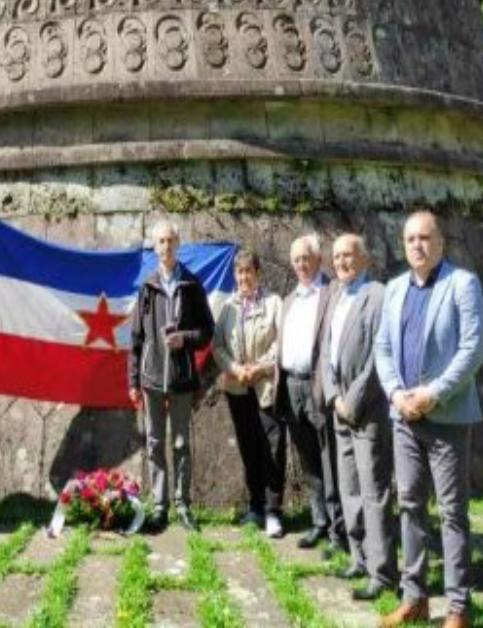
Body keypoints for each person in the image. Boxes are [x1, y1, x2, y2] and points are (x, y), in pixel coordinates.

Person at [376, 212, 483, 628]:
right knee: (409, 506)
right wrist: (395, 393)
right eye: (410, 239)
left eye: (425, 237)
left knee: (453, 512)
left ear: (441, 243)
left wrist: (434, 393)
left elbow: (472, 350)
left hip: (448, 418)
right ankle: (415, 598)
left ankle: (458, 608)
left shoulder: (462, 284)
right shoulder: (393, 289)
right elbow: (383, 347)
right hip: (403, 416)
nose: (417, 245)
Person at [320, 234, 397, 601]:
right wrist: (335, 397)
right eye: (336, 257)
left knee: (373, 492)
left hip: (367, 410)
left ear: (364, 259)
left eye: (348, 256)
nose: (341, 262)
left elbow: (377, 359)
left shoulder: (377, 295)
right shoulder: (335, 294)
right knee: (348, 487)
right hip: (341, 408)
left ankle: (383, 572)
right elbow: (325, 352)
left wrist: (352, 400)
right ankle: (358, 557)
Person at [128, 220, 215, 532]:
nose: (165, 247)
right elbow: (136, 339)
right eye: (160, 242)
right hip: (151, 378)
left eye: (170, 241)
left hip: (180, 377)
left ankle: (183, 506)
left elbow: (207, 331)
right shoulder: (147, 288)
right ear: (154, 248)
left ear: (178, 244)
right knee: (154, 443)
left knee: (180, 443)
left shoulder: (191, 285)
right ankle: (160, 506)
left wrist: (184, 339)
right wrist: (133, 381)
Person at [276, 234, 345, 550]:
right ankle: (319, 521)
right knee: (307, 460)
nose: (301, 265)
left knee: (329, 457)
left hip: (318, 385)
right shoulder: (289, 300)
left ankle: (338, 529)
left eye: (306, 258)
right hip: (291, 386)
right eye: (296, 260)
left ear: (319, 260)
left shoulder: (333, 293)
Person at [214, 248, 286, 537]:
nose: (244, 277)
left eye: (249, 272)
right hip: (238, 388)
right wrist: (234, 368)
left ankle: (273, 512)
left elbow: (281, 342)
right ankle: (255, 507)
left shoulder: (273, 303)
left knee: (272, 448)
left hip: (266, 386)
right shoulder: (227, 307)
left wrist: (260, 367)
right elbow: (217, 345)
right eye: (239, 272)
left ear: (258, 273)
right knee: (248, 448)